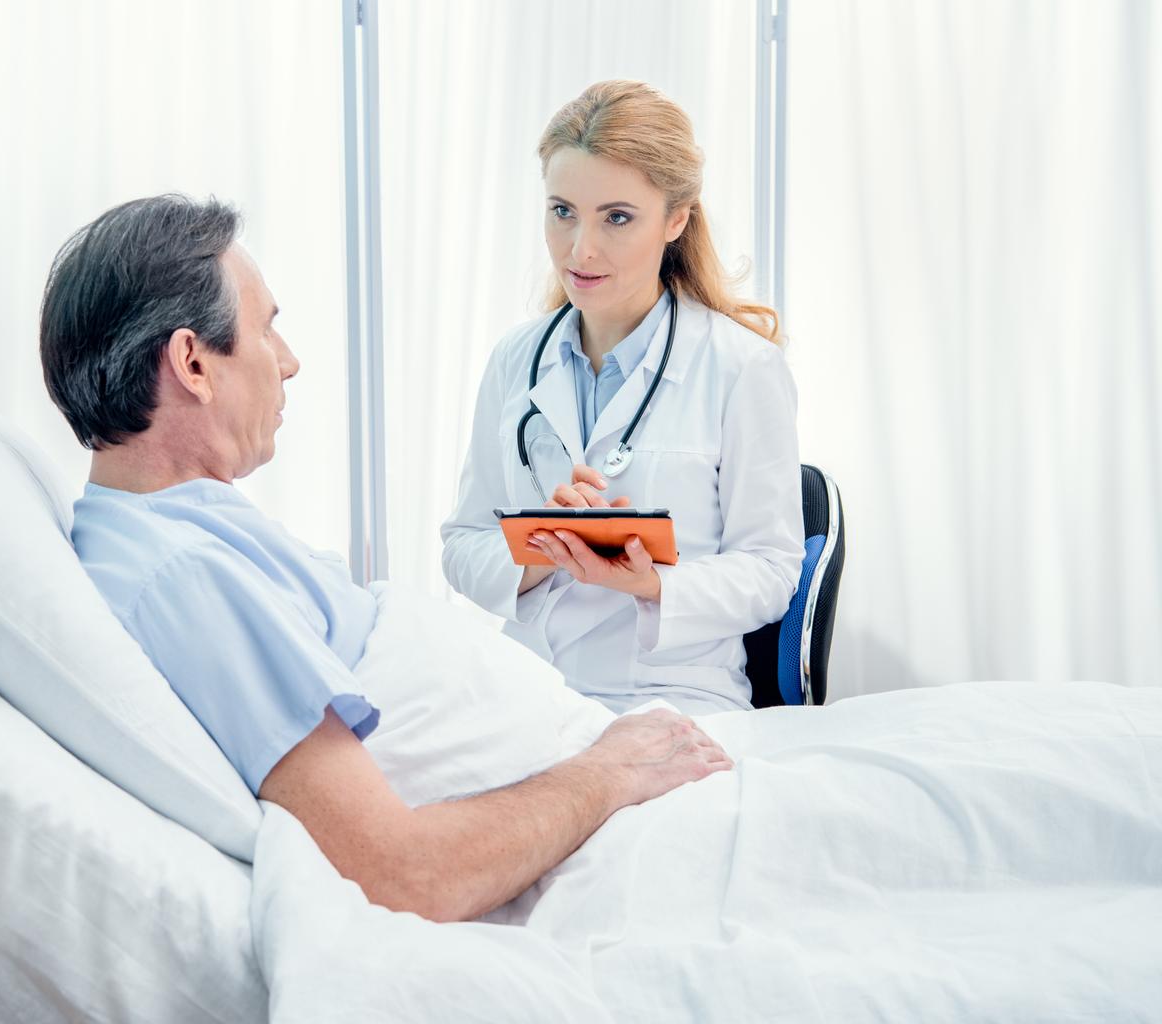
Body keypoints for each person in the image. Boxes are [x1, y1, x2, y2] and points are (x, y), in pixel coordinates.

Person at [41, 194, 731, 924]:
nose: (289, 361)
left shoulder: (163, 528)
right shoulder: (180, 579)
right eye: (266, 329)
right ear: (192, 364)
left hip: (598, 756)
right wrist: (609, 769)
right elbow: (405, 873)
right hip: (606, 816)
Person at [441, 81, 806, 715]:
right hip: (531, 694)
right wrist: (538, 553)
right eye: (562, 212)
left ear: (676, 218)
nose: (580, 249)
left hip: (674, 697)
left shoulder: (743, 368)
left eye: (616, 217)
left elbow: (772, 569)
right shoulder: (515, 359)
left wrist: (651, 583)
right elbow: (463, 541)